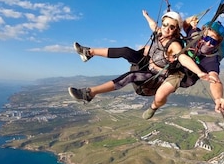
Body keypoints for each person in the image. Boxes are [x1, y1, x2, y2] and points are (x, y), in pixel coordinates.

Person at [68, 10, 214, 120]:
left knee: (131, 76)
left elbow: (182, 58)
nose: (166, 29)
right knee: (126, 51)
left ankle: (89, 93)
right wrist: (147, 16)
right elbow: (153, 26)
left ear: (176, 30)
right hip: (146, 64)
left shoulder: (174, 44)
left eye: (171, 27)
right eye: (165, 25)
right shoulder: (160, 33)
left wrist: (199, 72)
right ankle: (88, 52)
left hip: (154, 78)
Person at [181, 15, 224, 113]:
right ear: (202, 35)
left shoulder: (212, 59)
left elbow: (214, 79)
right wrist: (191, 19)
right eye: (207, 38)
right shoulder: (194, 36)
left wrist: (218, 98)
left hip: (184, 76)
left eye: (213, 41)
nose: (208, 43)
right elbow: (186, 25)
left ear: (217, 44)